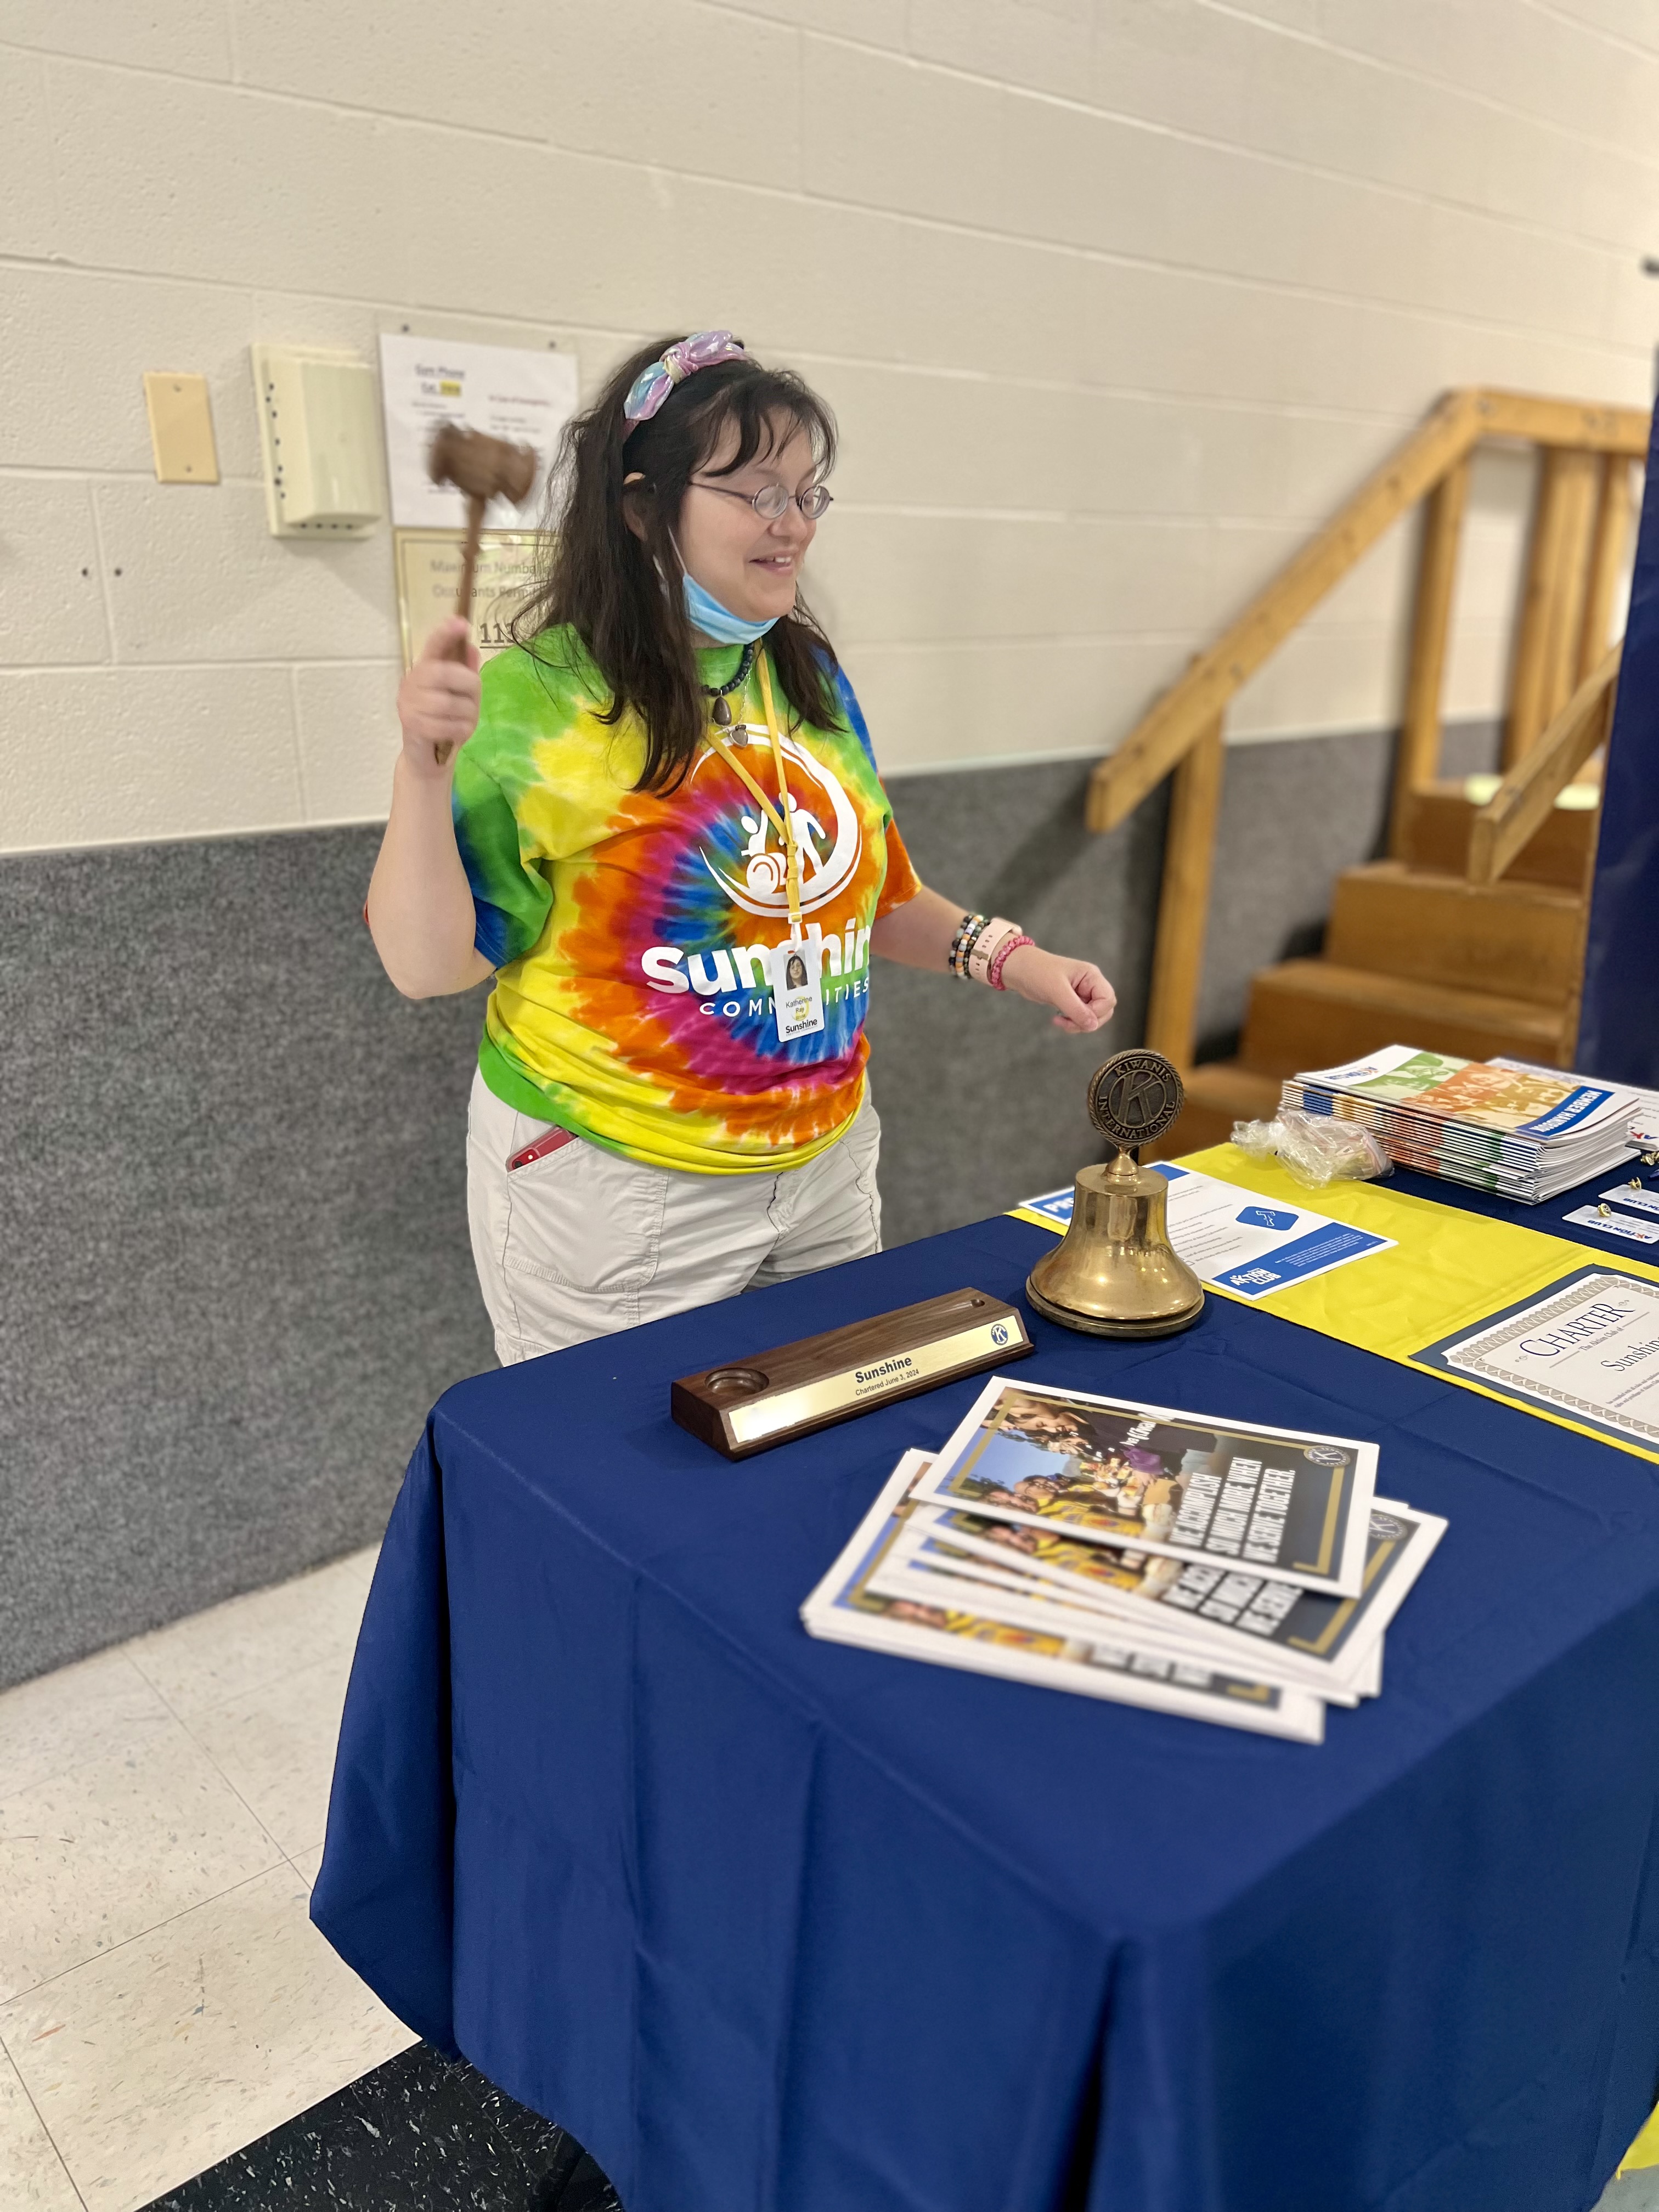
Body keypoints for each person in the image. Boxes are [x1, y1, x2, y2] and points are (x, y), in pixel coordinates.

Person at [367, 330, 1118, 1362]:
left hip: (825, 1168)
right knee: (628, 1489)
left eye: (809, 494)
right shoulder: (533, 704)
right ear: (642, 509)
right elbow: (426, 964)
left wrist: (1016, 960)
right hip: (620, 1191)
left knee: (823, 1449)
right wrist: (422, 767)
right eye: (759, 493)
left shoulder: (802, 671)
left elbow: (870, 899)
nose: (794, 527)